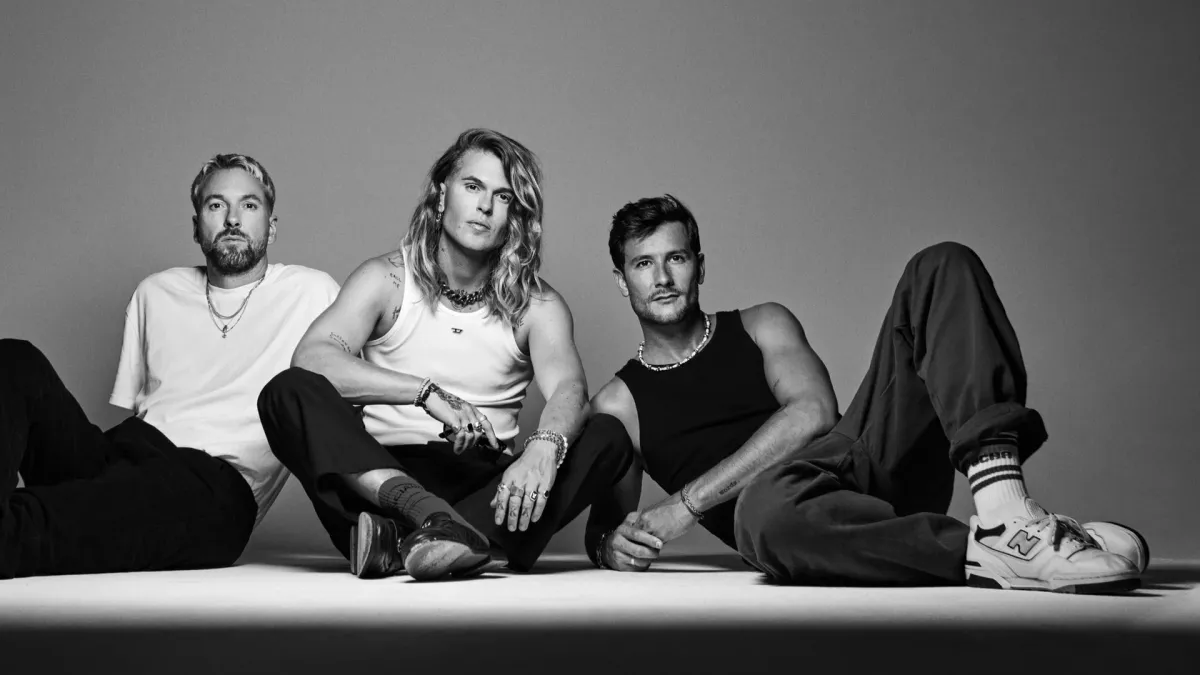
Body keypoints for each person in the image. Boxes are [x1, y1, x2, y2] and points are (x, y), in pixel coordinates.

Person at [588, 193, 1148, 593]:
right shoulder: (618, 403)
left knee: (940, 263)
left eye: (676, 258)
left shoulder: (760, 324)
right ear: (622, 279)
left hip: (862, 466)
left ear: (699, 266)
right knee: (760, 512)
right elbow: (606, 525)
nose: (662, 278)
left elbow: (813, 413)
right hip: (805, 530)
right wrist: (610, 545)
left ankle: (1005, 511)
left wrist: (684, 505)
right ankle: (1007, 547)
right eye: (643, 263)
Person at [258, 128, 633, 581]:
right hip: (380, 481)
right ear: (441, 195)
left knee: (608, 434)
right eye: (473, 187)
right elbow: (313, 358)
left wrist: (544, 448)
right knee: (285, 392)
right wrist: (426, 393)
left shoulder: (538, 305)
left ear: (514, 215)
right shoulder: (386, 280)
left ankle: (405, 545)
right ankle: (436, 525)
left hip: (487, 490)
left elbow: (570, 389)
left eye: (503, 196)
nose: (485, 206)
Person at [0, 154, 340, 578]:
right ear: (196, 226)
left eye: (249, 205)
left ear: (271, 227)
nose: (233, 218)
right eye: (216, 205)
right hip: (127, 454)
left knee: (31, 525)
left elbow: (348, 403)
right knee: (13, 359)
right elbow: (143, 411)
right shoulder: (155, 292)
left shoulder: (313, 292)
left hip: (214, 487)